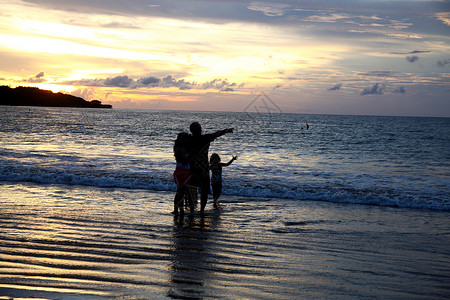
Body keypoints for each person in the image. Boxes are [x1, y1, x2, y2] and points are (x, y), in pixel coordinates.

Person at [186, 122, 233, 213]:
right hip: (204, 170)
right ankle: (202, 211)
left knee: (191, 190)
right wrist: (226, 131)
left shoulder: (188, 140)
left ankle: (192, 211)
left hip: (192, 169)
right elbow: (216, 134)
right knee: (204, 192)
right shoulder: (205, 138)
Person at [172, 132, 195, 217]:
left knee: (180, 191)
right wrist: (191, 154)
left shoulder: (177, 149)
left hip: (178, 172)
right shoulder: (181, 150)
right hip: (184, 173)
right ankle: (189, 211)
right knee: (188, 192)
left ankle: (177, 210)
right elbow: (185, 160)